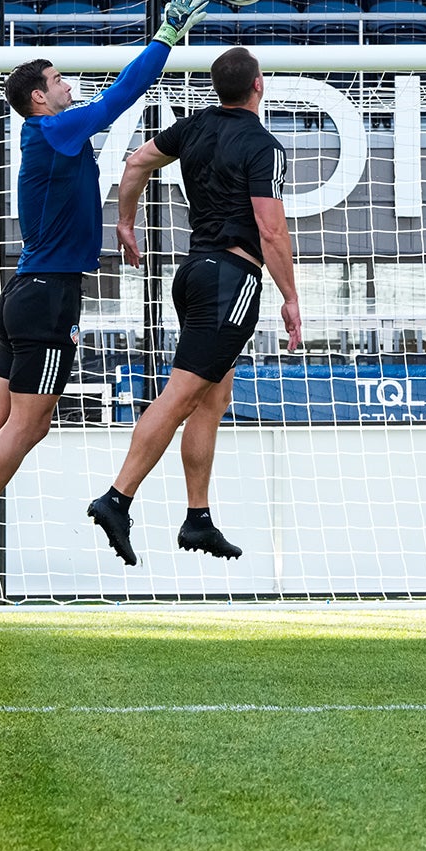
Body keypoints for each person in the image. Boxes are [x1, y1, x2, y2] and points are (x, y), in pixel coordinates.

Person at [0, 0, 211, 583]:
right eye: (58, 80)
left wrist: (115, 222)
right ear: (39, 98)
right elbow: (121, 97)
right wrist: (166, 36)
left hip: (21, 294)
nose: (68, 85)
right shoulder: (54, 130)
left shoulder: (44, 138)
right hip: (47, 298)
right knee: (29, 423)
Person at [87, 46, 301, 565]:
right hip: (232, 280)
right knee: (182, 396)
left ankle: (197, 518)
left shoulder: (194, 126)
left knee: (211, 400)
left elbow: (137, 161)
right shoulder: (263, 145)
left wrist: (125, 221)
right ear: (259, 85)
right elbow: (270, 230)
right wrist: (291, 297)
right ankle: (117, 498)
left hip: (194, 274)